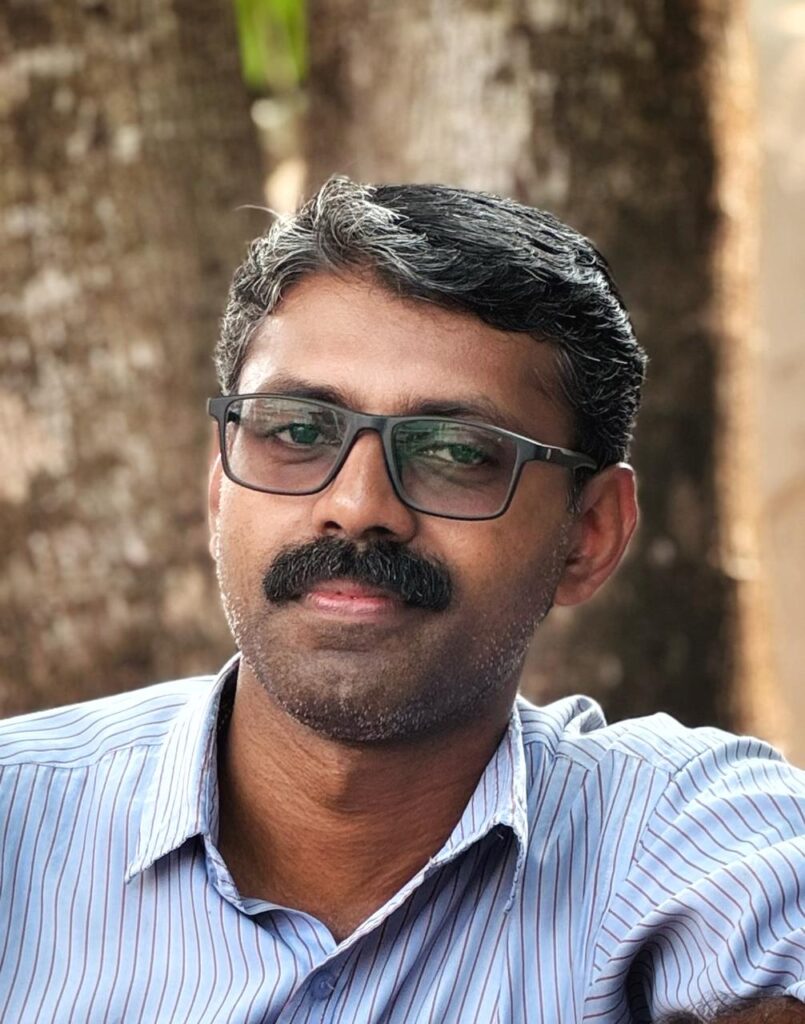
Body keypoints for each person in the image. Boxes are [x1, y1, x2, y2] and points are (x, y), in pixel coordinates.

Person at [1, 177, 803, 1024]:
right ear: (217, 490)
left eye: (455, 451)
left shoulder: (678, 835)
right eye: (297, 431)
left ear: (589, 534)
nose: (357, 506)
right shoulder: (18, 818)